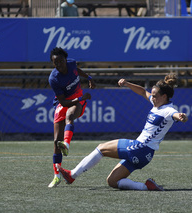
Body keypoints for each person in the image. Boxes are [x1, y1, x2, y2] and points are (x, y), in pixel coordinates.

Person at [57, 73, 188, 191]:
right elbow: (143, 92)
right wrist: (127, 84)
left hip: (140, 148)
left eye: (155, 96)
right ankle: (146, 186)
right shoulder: (157, 104)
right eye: (152, 95)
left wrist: (181, 116)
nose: (152, 98)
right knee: (112, 181)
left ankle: (72, 175)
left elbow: (175, 114)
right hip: (146, 155)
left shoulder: (168, 110)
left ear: (164, 97)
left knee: (101, 148)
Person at [48, 47, 95, 188]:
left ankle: (66, 144)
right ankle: (57, 176)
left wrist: (88, 77)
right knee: (56, 141)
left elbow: (77, 71)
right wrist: (81, 97)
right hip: (66, 102)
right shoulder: (53, 78)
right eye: (55, 63)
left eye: (61, 61)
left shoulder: (72, 63)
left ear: (65, 59)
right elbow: (63, 102)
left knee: (70, 115)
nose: (59, 65)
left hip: (78, 101)